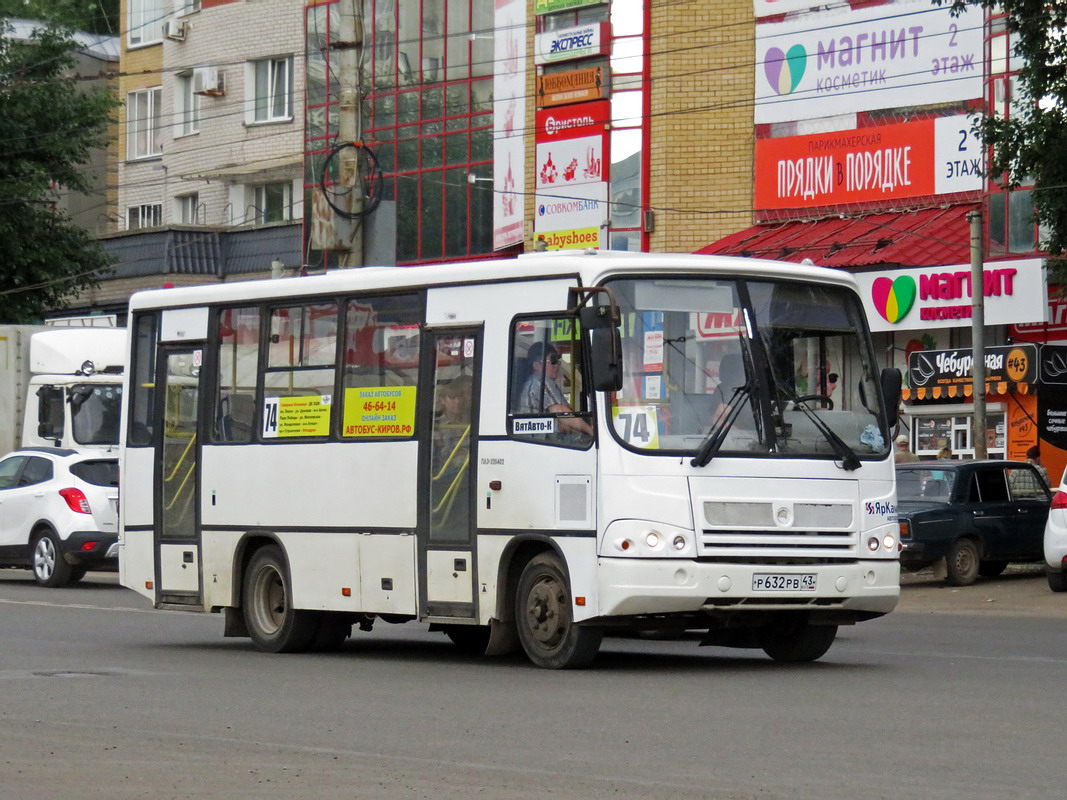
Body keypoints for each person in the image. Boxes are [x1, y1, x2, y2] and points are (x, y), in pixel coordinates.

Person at [519, 342, 593, 436]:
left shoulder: (533, 383)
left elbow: (561, 425)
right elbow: (561, 412)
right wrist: (591, 431)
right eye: (553, 361)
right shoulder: (541, 382)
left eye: (557, 361)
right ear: (536, 365)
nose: (557, 365)